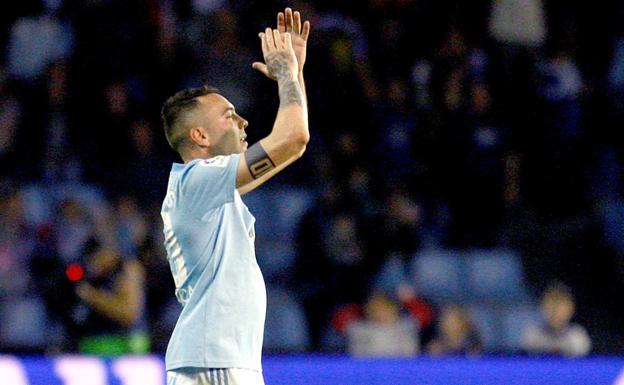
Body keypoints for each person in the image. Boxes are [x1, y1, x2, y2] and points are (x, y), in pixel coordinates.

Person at [159, 7, 310, 385]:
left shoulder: (209, 190)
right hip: (214, 358)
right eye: (228, 114)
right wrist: (287, 76)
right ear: (200, 136)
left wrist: (296, 72)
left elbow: (295, 144)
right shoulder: (196, 181)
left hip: (220, 359)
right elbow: (293, 138)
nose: (243, 121)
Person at [521, 282, 591, 357]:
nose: (555, 311)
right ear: (543, 307)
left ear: (571, 309)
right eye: (551, 305)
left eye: (560, 306)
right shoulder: (532, 335)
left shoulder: (578, 336)